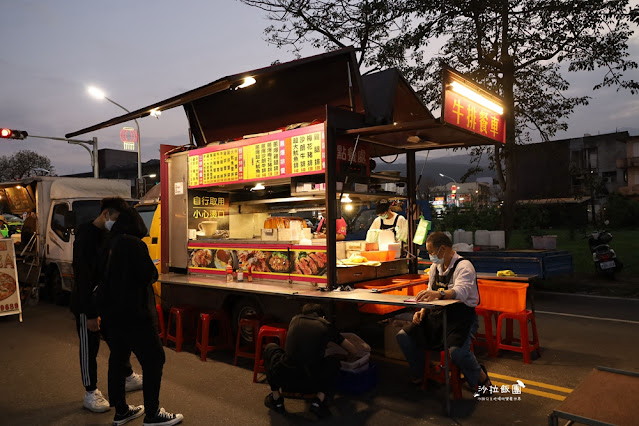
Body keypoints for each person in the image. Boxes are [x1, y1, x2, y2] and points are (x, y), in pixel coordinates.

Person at [99, 208, 183, 426]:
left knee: (117, 361)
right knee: (154, 360)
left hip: (111, 315)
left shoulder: (109, 242)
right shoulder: (135, 244)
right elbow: (149, 275)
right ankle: (153, 414)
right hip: (135, 315)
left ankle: (121, 411)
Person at [395, 232, 492, 395]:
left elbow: (461, 292)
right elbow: (430, 291)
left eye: (432, 252)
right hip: (436, 316)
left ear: (443, 249)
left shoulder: (464, 266)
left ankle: (481, 378)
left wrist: (438, 294)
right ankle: (426, 372)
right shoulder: (435, 267)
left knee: (457, 353)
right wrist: (423, 310)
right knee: (404, 336)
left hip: (461, 319)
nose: (431, 256)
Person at [71, 197, 143, 413]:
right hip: (87, 304)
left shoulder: (110, 235)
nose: (117, 224)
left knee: (117, 342)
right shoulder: (85, 236)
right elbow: (83, 277)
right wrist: (90, 313)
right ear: (106, 214)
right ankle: (90, 392)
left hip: (107, 303)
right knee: (89, 347)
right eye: (116, 219)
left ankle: (127, 375)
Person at [263, 303, 358, 418]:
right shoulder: (326, 325)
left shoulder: (294, 320)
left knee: (270, 348)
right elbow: (353, 350)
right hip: (312, 383)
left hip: (285, 380)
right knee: (333, 362)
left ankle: (276, 399)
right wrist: (350, 360)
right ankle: (317, 402)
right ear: (322, 317)